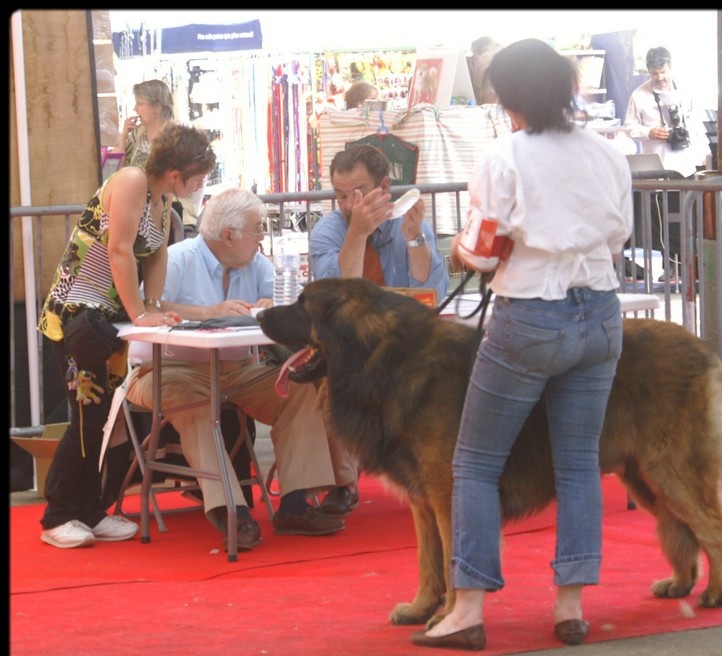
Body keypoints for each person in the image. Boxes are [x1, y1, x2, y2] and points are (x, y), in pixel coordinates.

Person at [411, 38, 632, 651]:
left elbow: (481, 251)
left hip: (530, 317)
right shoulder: (606, 152)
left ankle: (468, 608)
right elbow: (616, 239)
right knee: (580, 462)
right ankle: (569, 605)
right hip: (600, 313)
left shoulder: (504, 155)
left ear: (508, 96)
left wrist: (460, 250)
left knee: (476, 463)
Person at [124, 188, 348, 548]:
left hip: (234, 367)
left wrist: (272, 306)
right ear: (229, 236)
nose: (263, 236)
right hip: (165, 369)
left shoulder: (257, 263)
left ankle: (295, 503)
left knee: (301, 391)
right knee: (197, 406)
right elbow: (149, 306)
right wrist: (210, 312)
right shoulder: (178, 258)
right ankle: (230, 509)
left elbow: (285, 309)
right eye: (257, 228)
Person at [36, 122, 216, 549]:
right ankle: (58, 513)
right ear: (177, 173)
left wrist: (150, 307)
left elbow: (155, 255)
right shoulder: (132, 180)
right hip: (77, 316)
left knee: (104, 417)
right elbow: (119, 248)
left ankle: (90, 509)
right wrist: (139, 310)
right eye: (199, 176)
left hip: (111, 322)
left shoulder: (162, 198)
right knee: (86, 414)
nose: (200, 184)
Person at [308, 143, 450, 517]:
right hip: (350, 347)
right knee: (329, 383)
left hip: (405, 344)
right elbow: (337, 293)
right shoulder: (328, 231)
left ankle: (440, 474)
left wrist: (415, 236)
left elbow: (433, 290)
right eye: (339, 195)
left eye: (357, 193)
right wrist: (356, 233)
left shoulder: (407, 221)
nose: (348, 204)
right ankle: (343, 484)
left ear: (384, 186)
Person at [623, 46, 709, 273]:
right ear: (648, 72)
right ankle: (669, 265)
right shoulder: (639, 95)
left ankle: (689, 266)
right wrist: (649, 132)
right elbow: (629, 128)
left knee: (688, 215)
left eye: (663, 72)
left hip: (686, 163)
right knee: (661, 221)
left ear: (670, 66)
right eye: (654, 73)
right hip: (658, 166)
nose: (659, 78)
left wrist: (702, 155)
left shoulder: (686, 91)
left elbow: (696, 126)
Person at [116, 79, 203, 234]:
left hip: (175, 216)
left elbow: (195, 178)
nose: (136, 109)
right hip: (140, 214)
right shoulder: (137, 134)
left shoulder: (179, 136)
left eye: (140, 103)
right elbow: (118, 170)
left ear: (156, 107)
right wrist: (123, 138)